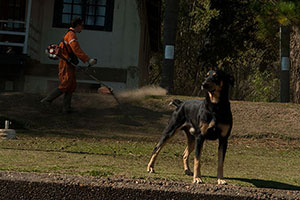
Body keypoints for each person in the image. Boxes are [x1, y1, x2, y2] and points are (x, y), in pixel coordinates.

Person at [41, 17, 97, 113]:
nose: (82, 28)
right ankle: (46, 100)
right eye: (82, 25)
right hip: (65, 63)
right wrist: (88, 59)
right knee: (66, 84)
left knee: (71, 85)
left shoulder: (71, 34)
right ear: (78, 25)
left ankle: (66, 108)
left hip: (69, 63)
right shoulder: (71, 35)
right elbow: (76, 49)